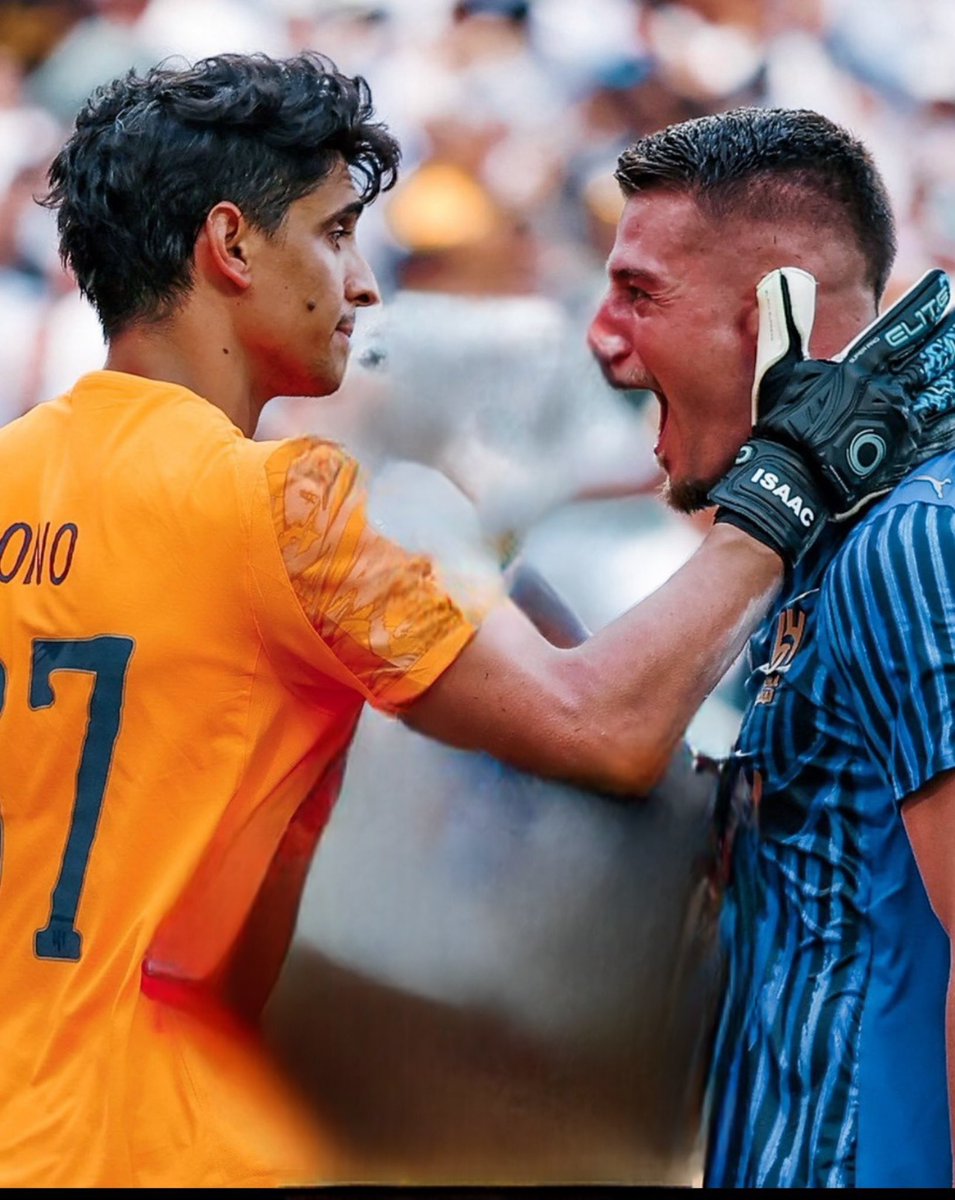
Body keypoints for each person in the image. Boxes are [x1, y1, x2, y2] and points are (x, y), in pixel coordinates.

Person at [0, 51, 947, 1188]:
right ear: (231, 246)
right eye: (336, 233)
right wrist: (782, 487)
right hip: (136, 1134)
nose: (364, 287)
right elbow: (601, 726)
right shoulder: (280, 504)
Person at [586, 105, 955, 1188]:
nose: (600, 334)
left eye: (640, 293)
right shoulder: (817, 541)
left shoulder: (910, 540)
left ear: (774, 311)